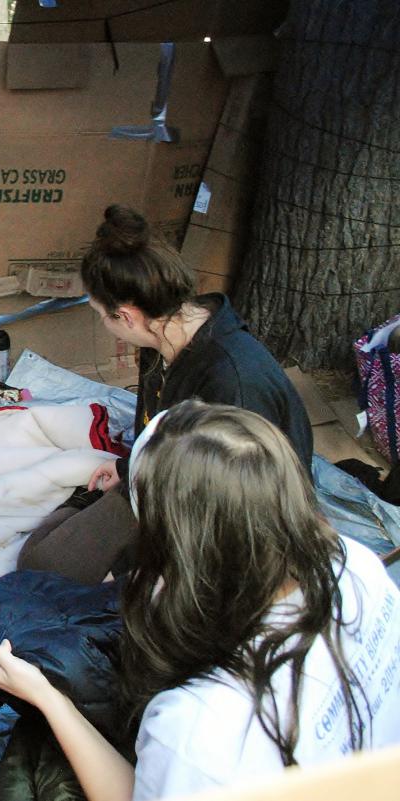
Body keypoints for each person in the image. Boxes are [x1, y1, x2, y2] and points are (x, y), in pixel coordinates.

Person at [0, 402, 400, 801]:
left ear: (178, 543)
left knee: (41, 748)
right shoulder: (351, 561)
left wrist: (50, 701)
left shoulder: (196, 728)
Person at [17, 204, 312, 584]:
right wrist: (128, 471)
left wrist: (138, 559)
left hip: (226, 516)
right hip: (162, 482)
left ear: (126, 316)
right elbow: (152, 430)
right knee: (40, 555)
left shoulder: (233, 382)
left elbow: (238, 505)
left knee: (45, 570)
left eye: (101, 314)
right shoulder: (160, 341)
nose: (106, 326)